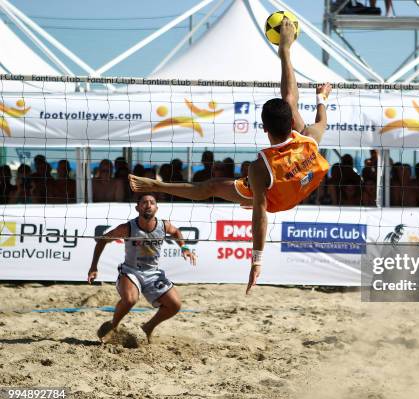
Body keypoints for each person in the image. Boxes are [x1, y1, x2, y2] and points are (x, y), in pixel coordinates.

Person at [129, 18, 332, 294]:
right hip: (302, 184)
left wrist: (257, 260)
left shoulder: (260, 167)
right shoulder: (309, 138)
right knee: (290, 104)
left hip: (277, 195)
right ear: (291, 125)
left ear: (263, 128)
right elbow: (320, 119)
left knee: (210, 187)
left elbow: (260, 216)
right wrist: (321, 97)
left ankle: (157, 186)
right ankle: (285, 50)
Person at [87, 194, 196, 343]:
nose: (148, 205)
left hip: (152, 273)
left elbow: (176, 232)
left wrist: (184, 247)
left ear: (156, 208)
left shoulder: (163, 225)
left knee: (175, 305)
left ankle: (148, 328)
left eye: (152, 202)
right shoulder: (127, 228)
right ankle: (113, 325)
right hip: (131, 271)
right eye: (144, 202)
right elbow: (102, 241)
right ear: (137, 208)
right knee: (130, 299)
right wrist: (93, 267)